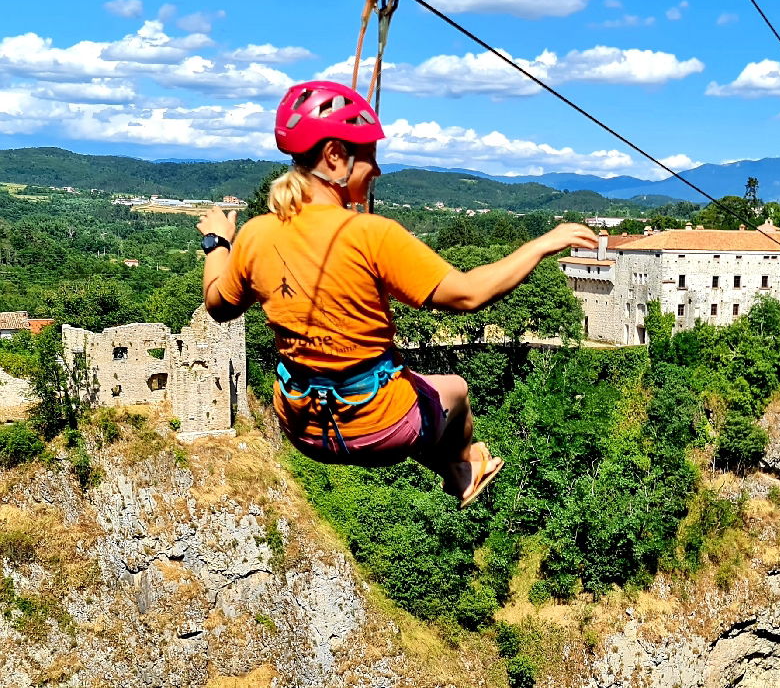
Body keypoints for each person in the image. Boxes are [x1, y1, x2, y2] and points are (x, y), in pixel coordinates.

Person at [197, 80, 598, 507]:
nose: (377, 170)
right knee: (456, 391)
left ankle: (456, 465)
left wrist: (219, 243)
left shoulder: (257, 234)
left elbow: (217, 307)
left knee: (418, 395)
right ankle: (461, 469)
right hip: (380, 429)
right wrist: (540, 245)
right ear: (335, 157)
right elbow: (467, 295)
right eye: (369, 155)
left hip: (303, 427)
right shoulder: (372, 235)